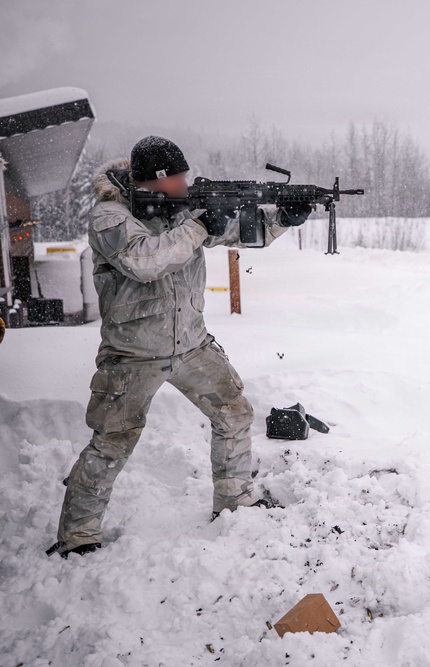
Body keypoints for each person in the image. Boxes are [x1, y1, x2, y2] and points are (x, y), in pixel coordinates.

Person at [47, 136, 312, 558]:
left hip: (190, 344)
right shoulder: (109, 218)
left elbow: (240, 233)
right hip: (133, 354)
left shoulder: (184, 209)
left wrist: (282, 218)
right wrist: (201, 224)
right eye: (178, 176)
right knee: (112, 442)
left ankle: (233, 499)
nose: (186, 183)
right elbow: (144, 262)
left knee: (234, 411)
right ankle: (77, 536)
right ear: (155, 180)